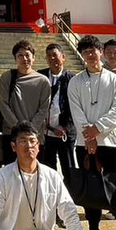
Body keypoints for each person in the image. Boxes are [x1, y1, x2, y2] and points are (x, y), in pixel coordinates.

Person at [67, 34, 116, 230]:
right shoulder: (75, 82)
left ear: (100, 52)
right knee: (91, 189)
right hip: (86, 144)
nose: (90, 55)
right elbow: (76, 112)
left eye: (93, 51)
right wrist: (89, 137)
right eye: (85, 52)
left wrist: (97, 130)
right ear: (82, 55)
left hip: (113, 142)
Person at [0, 39, 52, 165]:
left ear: (34, 58)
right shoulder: (7, 78)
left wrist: (29, 131)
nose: (24, 59)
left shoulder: (43, 81)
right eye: (20, 55)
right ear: (15, 59)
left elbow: (43, 109)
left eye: (27, 55)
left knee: (34, 174)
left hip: (34, 136)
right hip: (11, 135)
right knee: (11, 174)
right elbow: (4, 104)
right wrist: (18, 129)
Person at [38, 42, 75, 178]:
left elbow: (74, 106)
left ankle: (71, 194)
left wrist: (65, 126)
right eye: (49, 56)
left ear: (63, 57)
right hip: (46, 132)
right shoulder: (40, 77)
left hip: (65, 133)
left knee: (69, 167)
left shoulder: (72, 79)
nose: (53, 59)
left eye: (55, 55)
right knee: (47, 168)